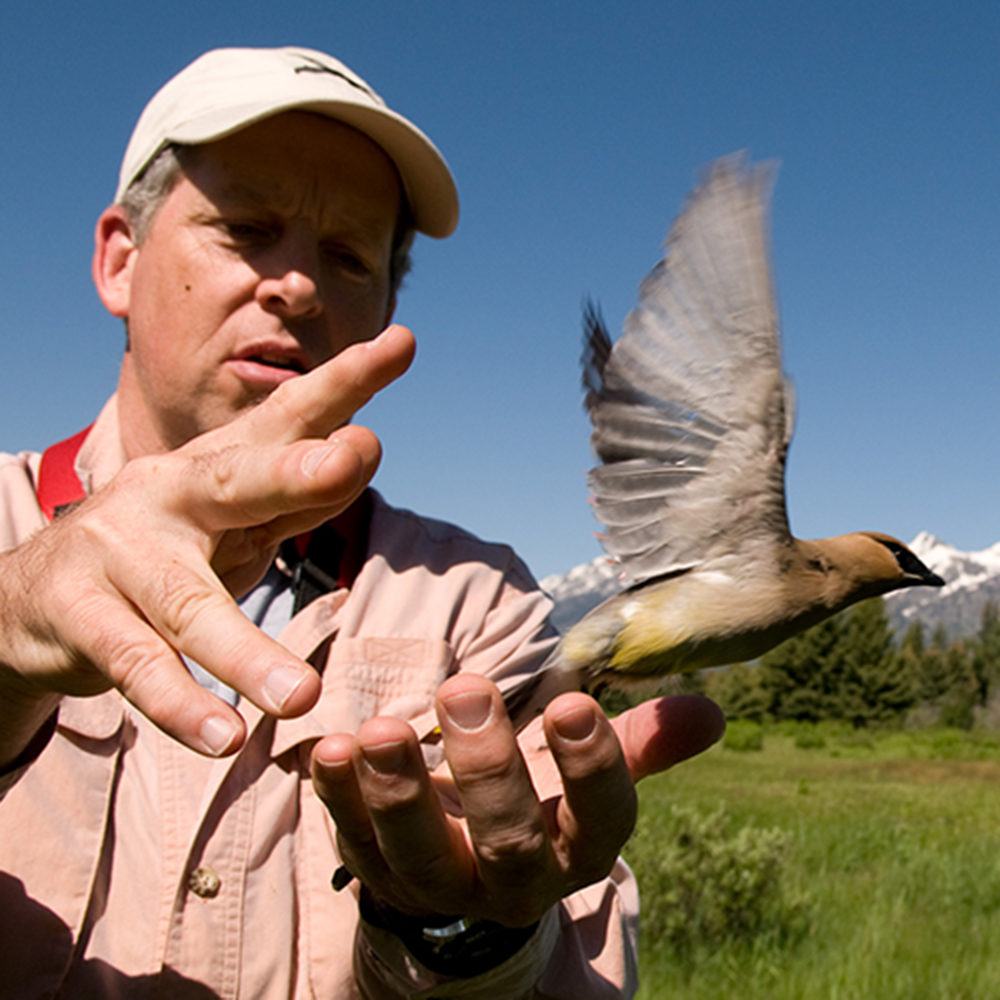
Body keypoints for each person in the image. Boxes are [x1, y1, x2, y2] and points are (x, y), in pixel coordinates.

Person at [0, 46, 724, 998]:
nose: (297, 286)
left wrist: (460, 935)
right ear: (119, 260)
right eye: (247, 229)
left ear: (384, 307)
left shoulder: (481, 609)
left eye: (347, 256)